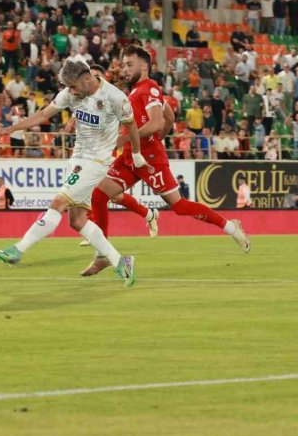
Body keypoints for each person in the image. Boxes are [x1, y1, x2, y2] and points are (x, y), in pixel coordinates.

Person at [81, 45, 250, 276]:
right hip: (131, 157)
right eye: (123, 64)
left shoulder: (149, 88)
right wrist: (150, 138)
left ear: (144, 65)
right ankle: (103, 255)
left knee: (179, 206)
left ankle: (231, 227)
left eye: (129, 64)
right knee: (99, 194)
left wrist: (131, 140)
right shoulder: (136, 92)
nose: (125, 69)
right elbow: (168, 117)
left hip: (150, 159)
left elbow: (157, 122)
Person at [0, 57, 147, 287]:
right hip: (78, 159)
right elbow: (44, 114)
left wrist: (135, 154)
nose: (70, 92)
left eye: (73, 86)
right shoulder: (71, 92)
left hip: (96, 161)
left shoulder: (114, 97)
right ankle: (120, 261)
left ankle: (18, 250)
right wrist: (11, 128)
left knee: (58, 203)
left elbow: (132, 126)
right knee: (77, 221)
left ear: (87, 78)